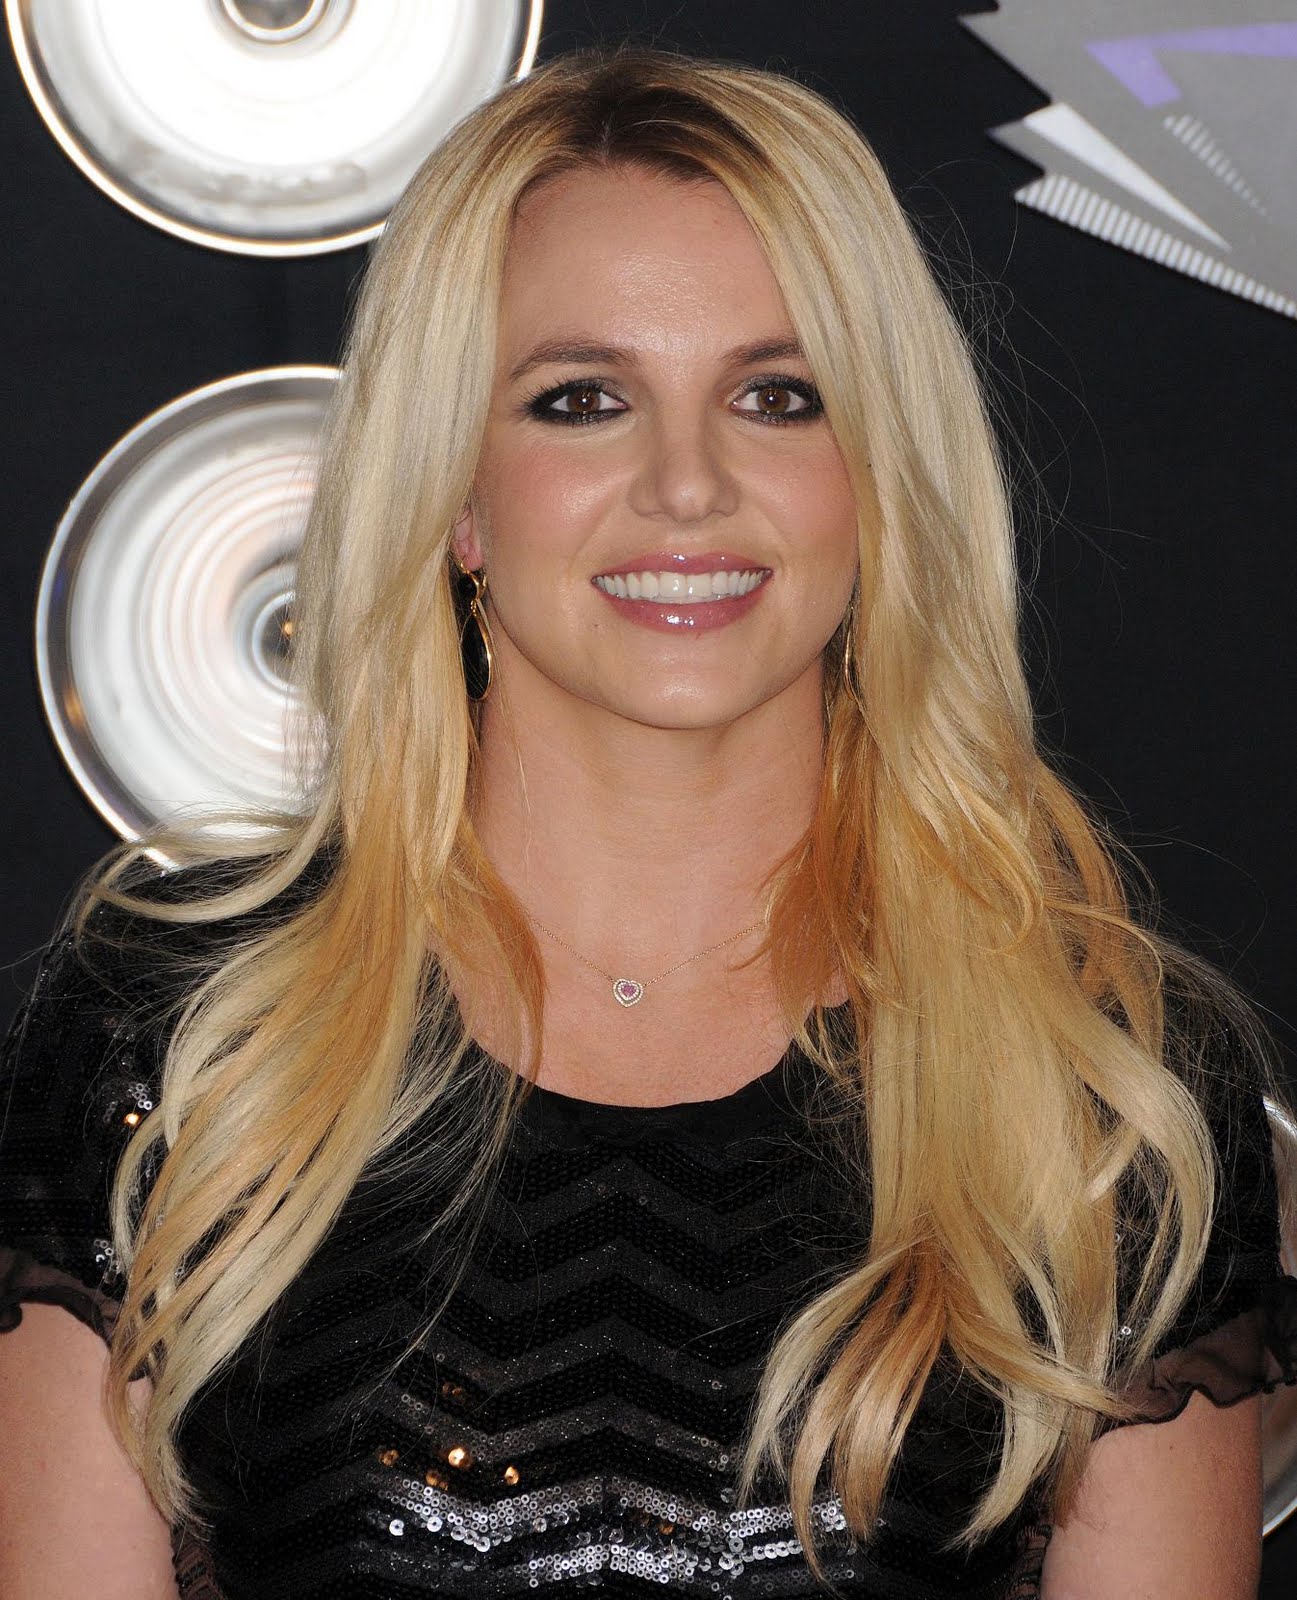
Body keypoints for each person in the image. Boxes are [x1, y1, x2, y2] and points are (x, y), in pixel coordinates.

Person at [1, 42, 1294, 1600]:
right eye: (582, 401)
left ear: (877, 481)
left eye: (776, 397)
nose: (687, 485)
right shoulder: (178, 1039)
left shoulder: (1094, 1096)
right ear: (456, 494)